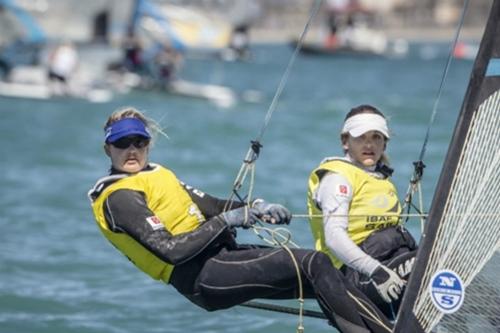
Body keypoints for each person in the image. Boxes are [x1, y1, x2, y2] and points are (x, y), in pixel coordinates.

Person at [88, 107, 394, 333]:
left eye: (138, 142)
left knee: (326, 279)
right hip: (200, 275)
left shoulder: (156, 173)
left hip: (223, 257)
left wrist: (255, 207)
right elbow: (171, 250)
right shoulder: (119, 197)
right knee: (313, 263)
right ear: (107, 148)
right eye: (122, 143)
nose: (131, 150)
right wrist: (230, 220)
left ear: (148, 144)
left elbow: (211, 205)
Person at [307, 105, 418, 319]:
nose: (369, 144)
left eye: (376, 137)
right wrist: (376, 272)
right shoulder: (337, 177)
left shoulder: (379, 178)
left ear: (385, 142)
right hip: (355, 278)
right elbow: (334, 237)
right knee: (432, 264)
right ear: (345, 142)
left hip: (390, 266)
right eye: (361, 137)